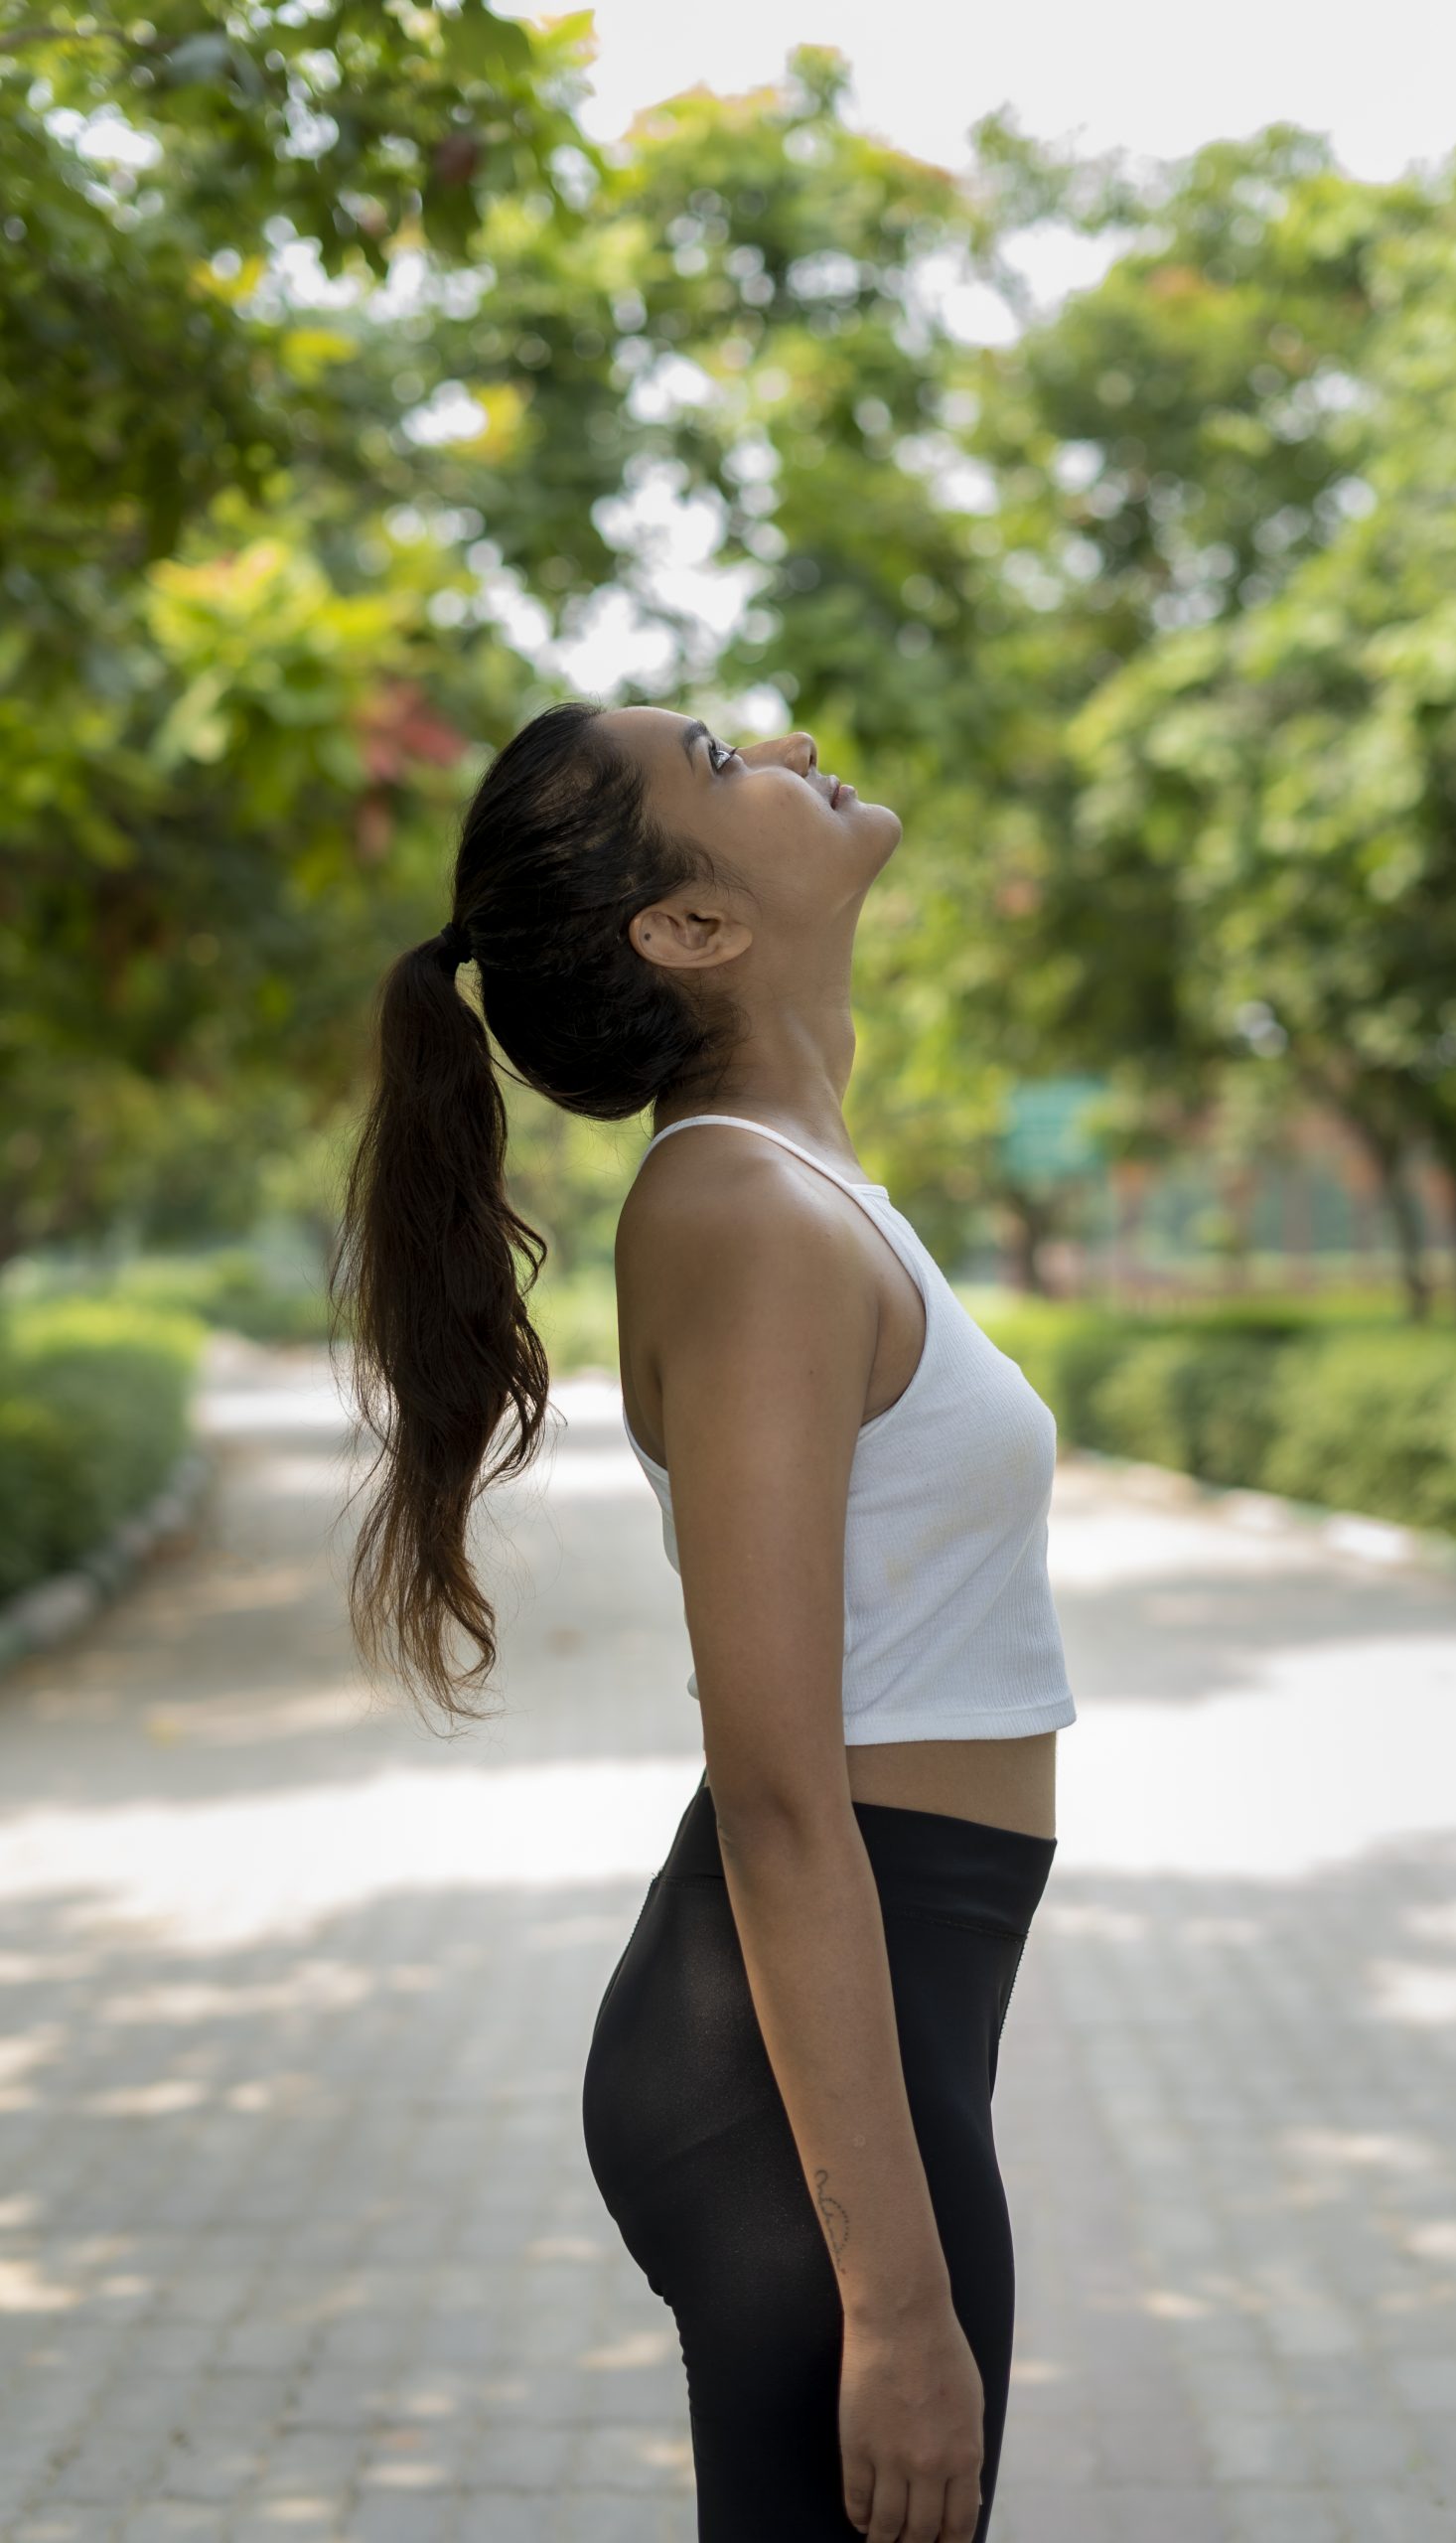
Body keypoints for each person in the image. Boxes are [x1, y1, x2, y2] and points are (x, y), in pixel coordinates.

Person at [332, 699, 1077, 2543]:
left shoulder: (795, 1190)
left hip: (873, 2007)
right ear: (688, 926)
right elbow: (772, 1786)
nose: (798, 736)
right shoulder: (743, 1208)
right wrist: (896, 2307)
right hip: (799, 2053)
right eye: (728, 758)